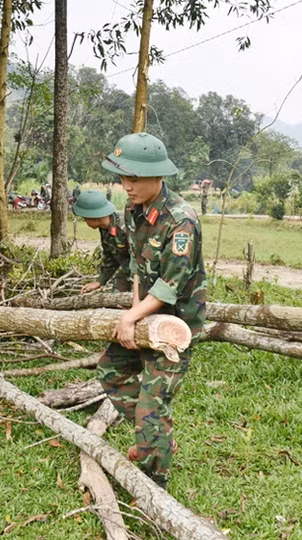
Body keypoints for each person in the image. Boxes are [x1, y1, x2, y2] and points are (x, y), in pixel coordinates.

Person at [100, 132, 206, 489]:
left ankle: (152, 486)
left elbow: (169, 286)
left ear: (157, 177)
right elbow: (136, 266)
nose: (125, 186)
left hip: (176, 326)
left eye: (133, 179)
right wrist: (134, 312)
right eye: (122, 178)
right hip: (147, 315)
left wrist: (132, 317)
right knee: (112, 369)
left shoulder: (181, 221)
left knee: (152, 406)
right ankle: (156, 437)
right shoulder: (134, 211)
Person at [73, 190, 131, 294]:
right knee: (116, 296)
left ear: (94, 216)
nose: (85, 221)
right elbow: (110, 257)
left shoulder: (125, 228)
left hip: (147, 274)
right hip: (129, 270)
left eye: (85, 218)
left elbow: (142, 261)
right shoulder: (104, 228)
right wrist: (100, 282)